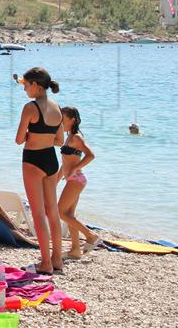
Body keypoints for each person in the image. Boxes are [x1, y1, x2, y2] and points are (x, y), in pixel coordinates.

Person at [15, 67, 64, 275]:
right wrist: (43, 137)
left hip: (33, 161)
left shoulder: (30, 108)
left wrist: (29, 136)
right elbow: (60, 140)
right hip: (51, 160)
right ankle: (57, 259)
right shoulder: (57, 108)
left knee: (38, 213)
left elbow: (18, 139)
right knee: (52, 212)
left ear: (35, 85)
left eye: (26, 85)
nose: (25, 89)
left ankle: (45, 263)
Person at [57, 106, 101, 259]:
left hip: (76, 180)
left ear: (73, 120)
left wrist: (73, 169)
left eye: (63, 119)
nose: (60, 121)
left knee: (60, 212)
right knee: (69, 215)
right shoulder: (69, 137)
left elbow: (90, 155)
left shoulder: (76, 137)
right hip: (73, 179)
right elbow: (65, 162)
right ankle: (75, 250)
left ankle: (90, 236)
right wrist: (57, 179)